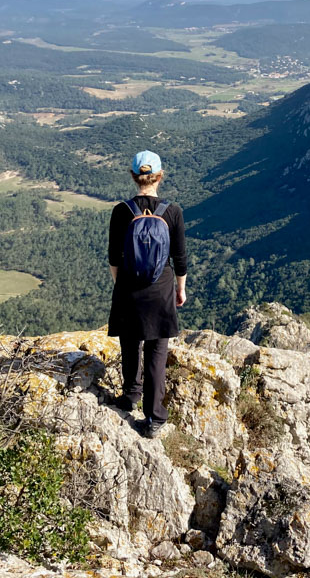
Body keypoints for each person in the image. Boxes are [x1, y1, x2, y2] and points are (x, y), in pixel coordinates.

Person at [107, 149, 187, 439]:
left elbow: (114, 257)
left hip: (129, 286)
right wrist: (180, 289)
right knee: (156, 351)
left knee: (130, 343)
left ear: (133, 177)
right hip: (161, 287)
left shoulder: (122, 211)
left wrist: (121, 284)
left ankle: (130, 396)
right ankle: (155, 418)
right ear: (160, 177)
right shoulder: (172, 211)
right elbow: (179, 258)